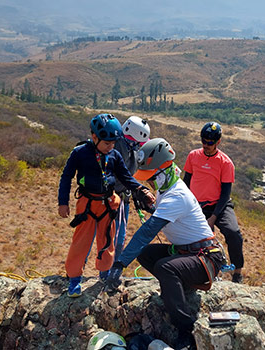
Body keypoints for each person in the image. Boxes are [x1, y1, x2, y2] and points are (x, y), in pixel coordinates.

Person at [104, 138, 227, 350]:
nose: (150, 184)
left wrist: (120, 263)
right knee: (147, 254)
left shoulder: (177, 195)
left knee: (164, 267)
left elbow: (147, 232)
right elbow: (165, 217)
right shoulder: (166, 189)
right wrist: (151, 207)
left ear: (163, 171)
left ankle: (185, 328)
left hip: (206, 257)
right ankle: (178, 288)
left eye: (151, 179)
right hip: (188, 252)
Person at [57, 113, 155, 298]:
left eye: (113, 143)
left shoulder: (114, 154)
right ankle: (75, 279)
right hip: (87, 203)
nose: (111, 147)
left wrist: (141, 190)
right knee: (81, 242)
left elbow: (126, 177)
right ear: (94, 137)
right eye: (107, 143)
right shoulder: (80, 153)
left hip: (108, 204)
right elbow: (66, 177)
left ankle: (104, 275)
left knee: (107, 242)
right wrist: (63, 203)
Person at [183, 122, 244, 283]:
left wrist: (213, 217)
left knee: (234, 234)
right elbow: (186, 182)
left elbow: (225, 194)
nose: (206, 145)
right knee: (193, 238)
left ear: (218, 142)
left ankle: (237, 272)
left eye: (210, 142)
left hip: (219, 205)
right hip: (197, 205)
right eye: (203, 141)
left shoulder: (225, 163)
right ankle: (198, 270)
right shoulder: (193, 156)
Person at [113, 116, 150, 261]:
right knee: (111, 237)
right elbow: (122, 175)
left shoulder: (131, 148)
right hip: (112, 196)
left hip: (123, 196)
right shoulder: (117, 148)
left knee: (119, 237)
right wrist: (138, 188)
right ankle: (108, 271)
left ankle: (113, 268)